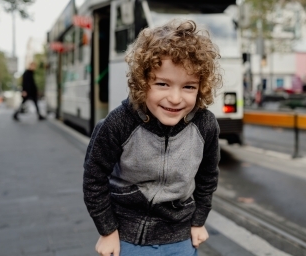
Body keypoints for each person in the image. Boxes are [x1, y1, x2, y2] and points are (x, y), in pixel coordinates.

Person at [83, 20, 222, 256]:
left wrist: (198, 221)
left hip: (180, 235)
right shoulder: (118, 123)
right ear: (142, 81)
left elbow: (208, 177)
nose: (176, 98)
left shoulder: (205, 125)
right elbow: (94, 179)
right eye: (162, 84)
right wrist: (107, 231)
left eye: (189, 87)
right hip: (127, 236)